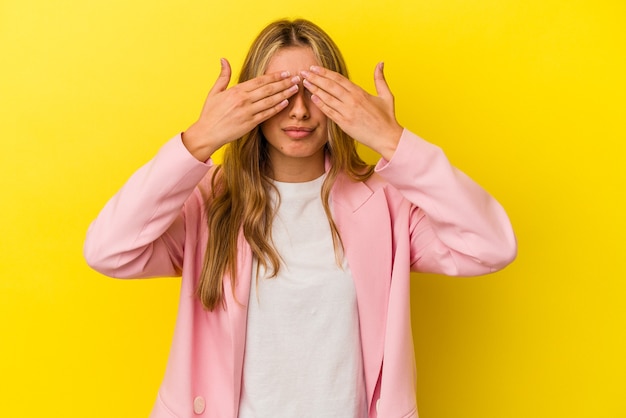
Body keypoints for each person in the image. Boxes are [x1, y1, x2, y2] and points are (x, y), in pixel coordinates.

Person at [84, 18, 516, 418]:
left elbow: (491, 245)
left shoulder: (385, 205)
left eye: (317, 92)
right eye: (281, 92)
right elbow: (108, 251)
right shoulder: (210, 202)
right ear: (249, 99)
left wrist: (391, 139)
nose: (300, 111)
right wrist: (199, 140)